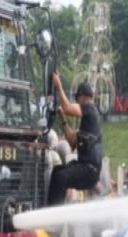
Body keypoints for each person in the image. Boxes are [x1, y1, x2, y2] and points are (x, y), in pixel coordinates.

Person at [47, 73, 102, 206]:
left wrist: (58, 84)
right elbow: (72, 142)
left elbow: (67, 107)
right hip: (86, 168)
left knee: (60, 178)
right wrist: (62, 117)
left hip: (89, 169)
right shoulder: (87, 122)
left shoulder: (89, 107)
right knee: (57, 172)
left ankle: (54, 221)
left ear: (82, 96)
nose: (77, 103)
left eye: (77, 100)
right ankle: (52, 211)